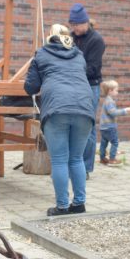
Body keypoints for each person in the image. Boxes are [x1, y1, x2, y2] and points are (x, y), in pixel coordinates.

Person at [24, 23, 95, 216]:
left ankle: (62, 206)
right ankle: (79, 204)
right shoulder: (78, 54)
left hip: (57, 108)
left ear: (50, 37)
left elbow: (30, 87)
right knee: (77, 158)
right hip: (84, 107)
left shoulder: (42, 53)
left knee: (60, 160)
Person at [68, 3, 106, 176]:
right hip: (73, 86)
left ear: (86, 22)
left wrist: (71, 69)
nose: (74, 29)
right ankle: (74, 164)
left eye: (77, 25)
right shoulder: (70, 38)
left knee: (88, 127)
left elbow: (92, 68)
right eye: (72, 25)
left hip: (90, 86)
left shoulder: (96, 40)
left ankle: (85, 168)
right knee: (72, 125)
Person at [98, 79, 130, 165]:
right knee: (115, 142)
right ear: (110, 91)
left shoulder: (107, 100)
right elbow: (113, 112)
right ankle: (112, 159)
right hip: (109, 127)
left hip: (103, 127)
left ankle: (102, 158)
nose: (117, 92)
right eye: (116, 90)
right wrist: (124, 110)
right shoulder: (109, 101)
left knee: (103, 143)